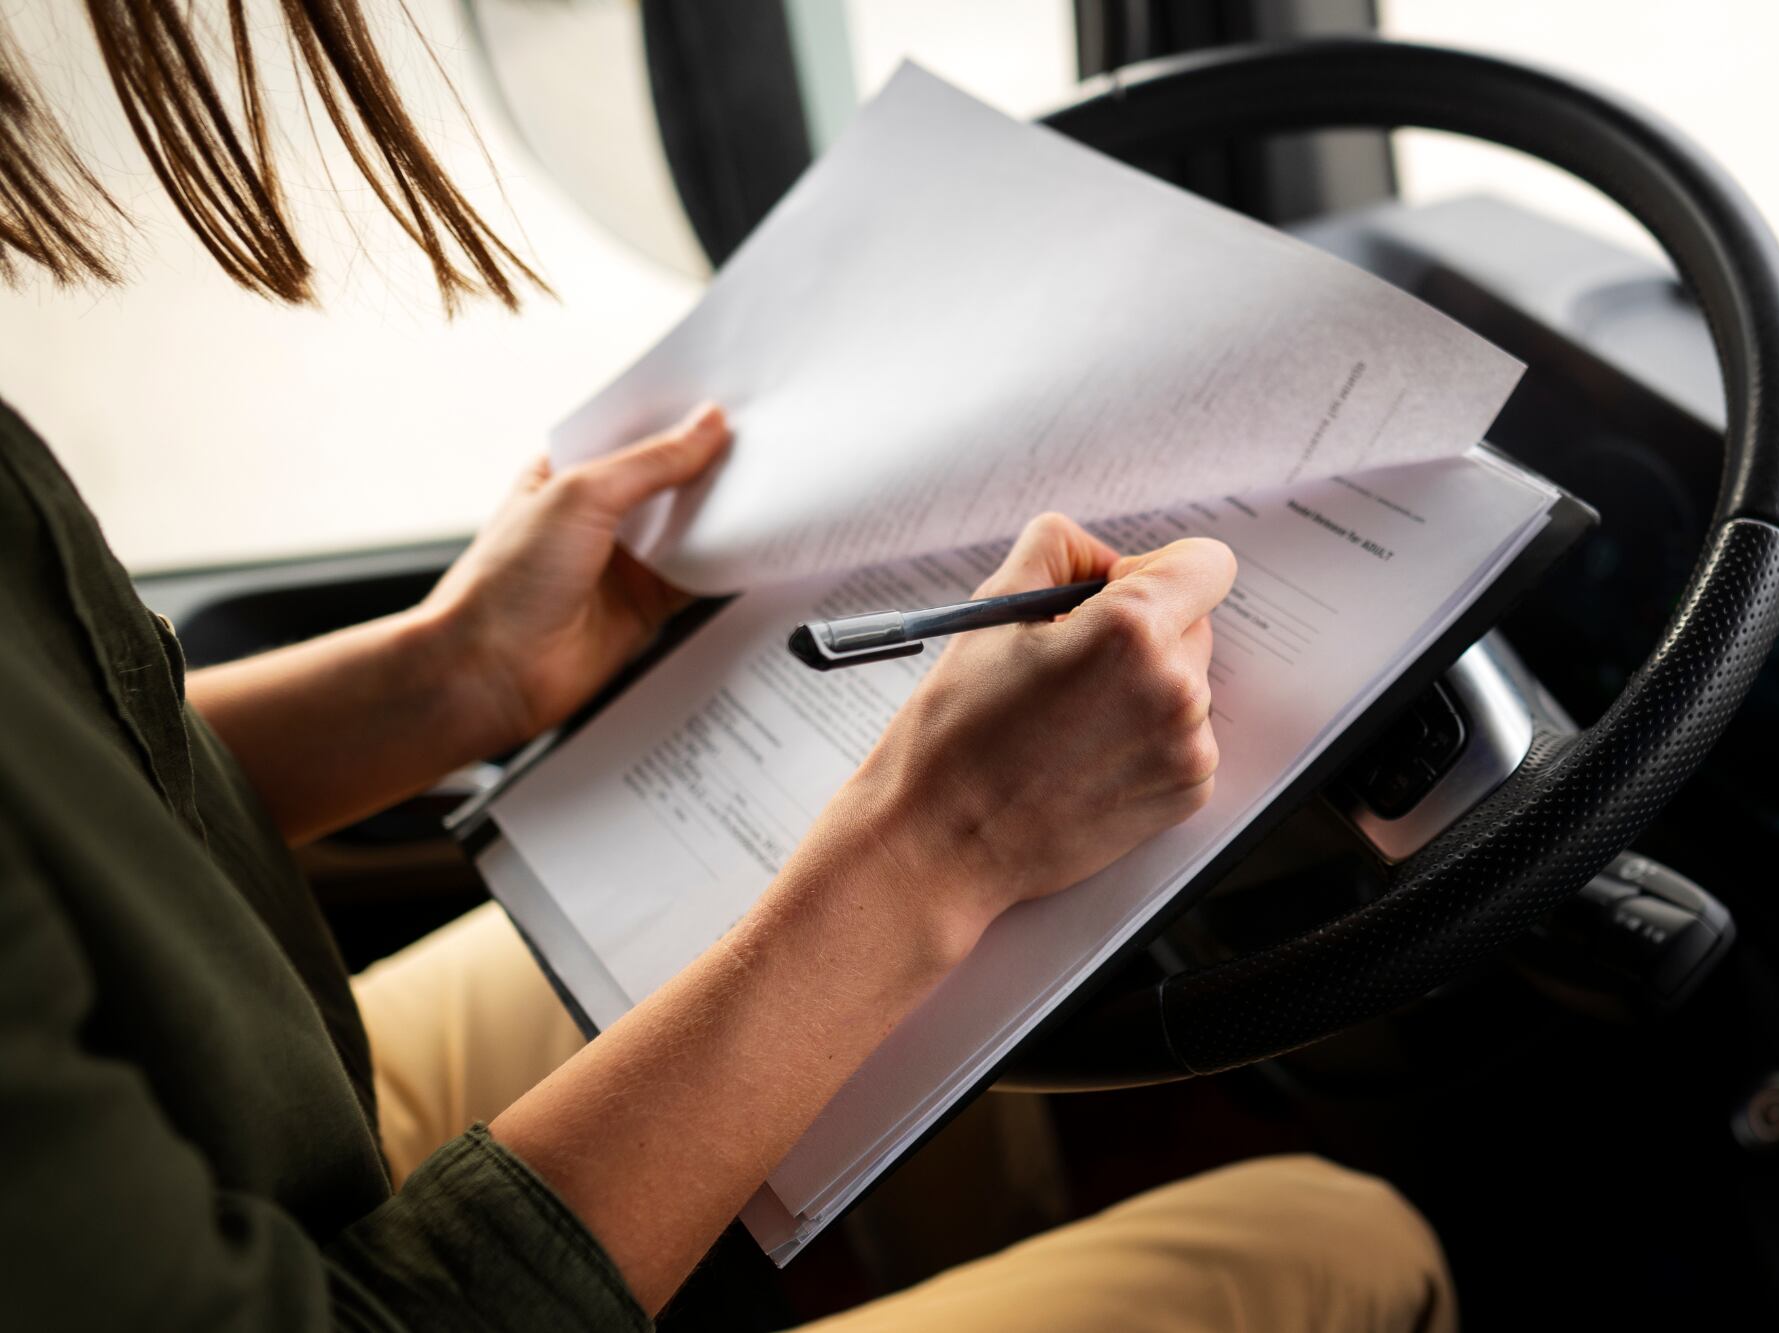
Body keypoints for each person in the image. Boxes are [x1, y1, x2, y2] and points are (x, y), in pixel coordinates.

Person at [0, 4, 1455, 1330]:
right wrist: (938, 846)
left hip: (212, 1099)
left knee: (821, 948)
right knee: (1334, 1240)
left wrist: (448, 675)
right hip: (284, 1258)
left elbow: (55, 783)